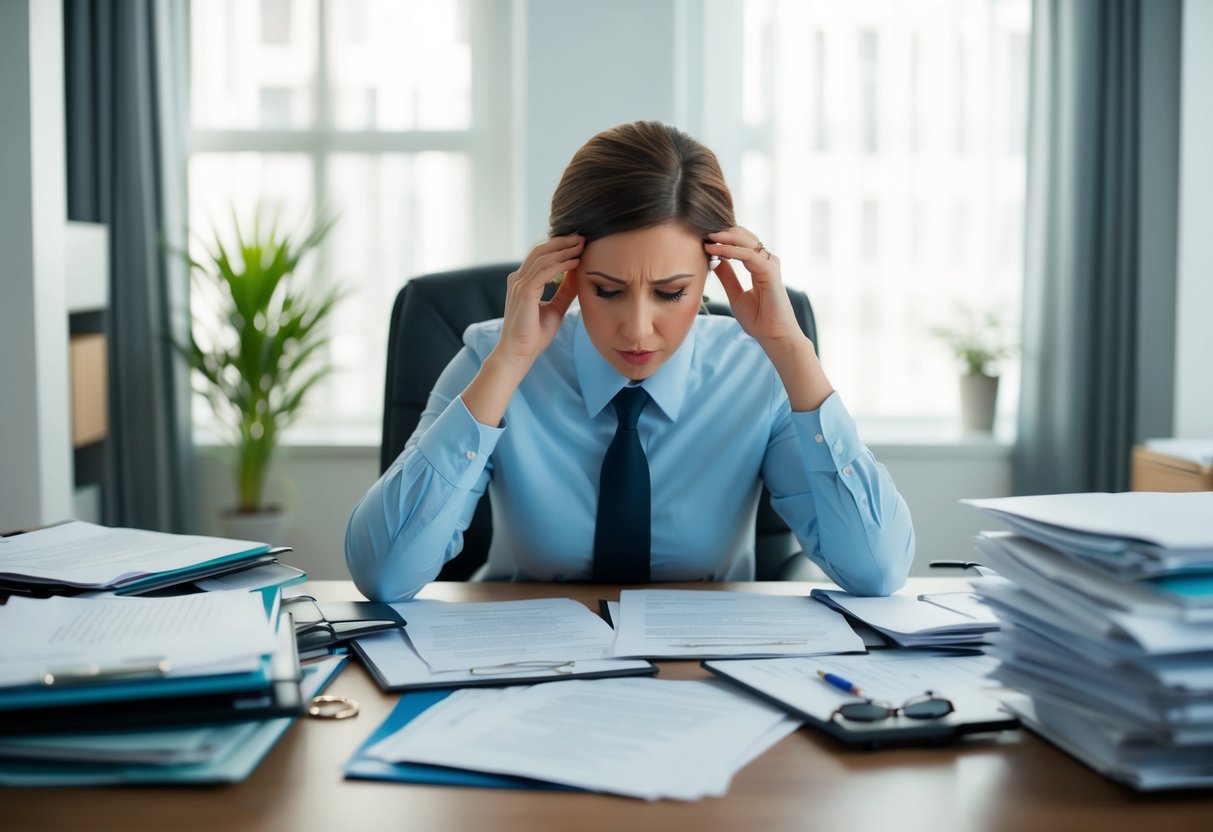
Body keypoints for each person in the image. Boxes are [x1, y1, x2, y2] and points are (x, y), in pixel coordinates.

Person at [346, 120, 914, 602]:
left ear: (714, 276)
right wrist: (509, 364)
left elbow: (878, 569)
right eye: (607, 289)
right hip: (527, 671)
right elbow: (384, 574)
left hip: (708, 675)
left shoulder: (760, 372)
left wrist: (793, 352)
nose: (638, 329)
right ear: (565, 272)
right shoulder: (492, 358)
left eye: (671, 293)